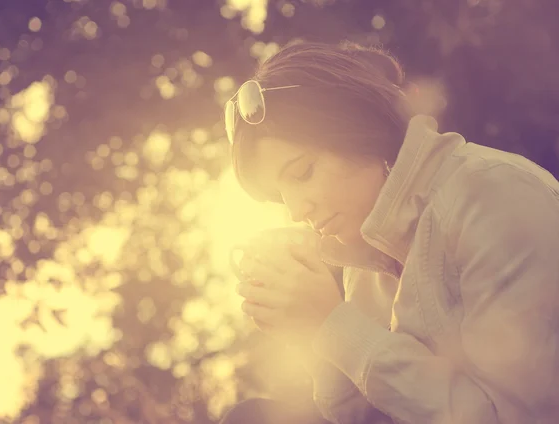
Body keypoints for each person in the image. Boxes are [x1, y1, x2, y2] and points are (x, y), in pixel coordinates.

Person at [219, 39, 559, 424]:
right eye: (282, 197)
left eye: (301, 173)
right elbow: (360, 417)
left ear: (355, 127)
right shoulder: (362, 255)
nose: (297, 211)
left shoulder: (494, 194)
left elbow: (513, 417)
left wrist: (334, 323)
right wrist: (311, 332)